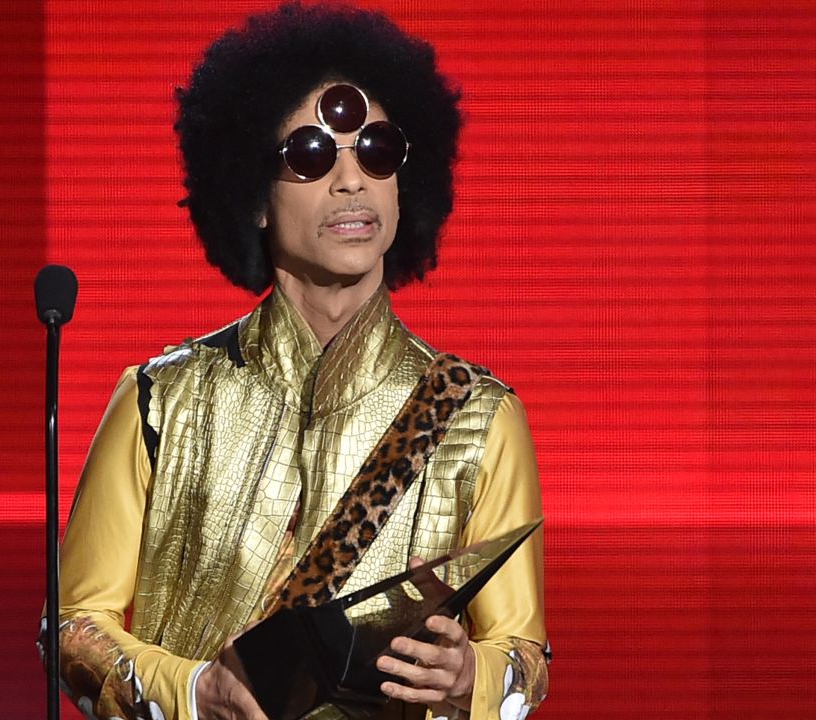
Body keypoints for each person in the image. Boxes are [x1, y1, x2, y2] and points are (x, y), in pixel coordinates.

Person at [43, 4, 549, 719]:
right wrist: (191, 694)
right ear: (254, 196)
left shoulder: (476, 415)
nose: (352, 181)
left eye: (377, 151)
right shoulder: (161, 402)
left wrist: (474, 676)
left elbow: (524, 651)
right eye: (311, 155)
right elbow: (70, 626)